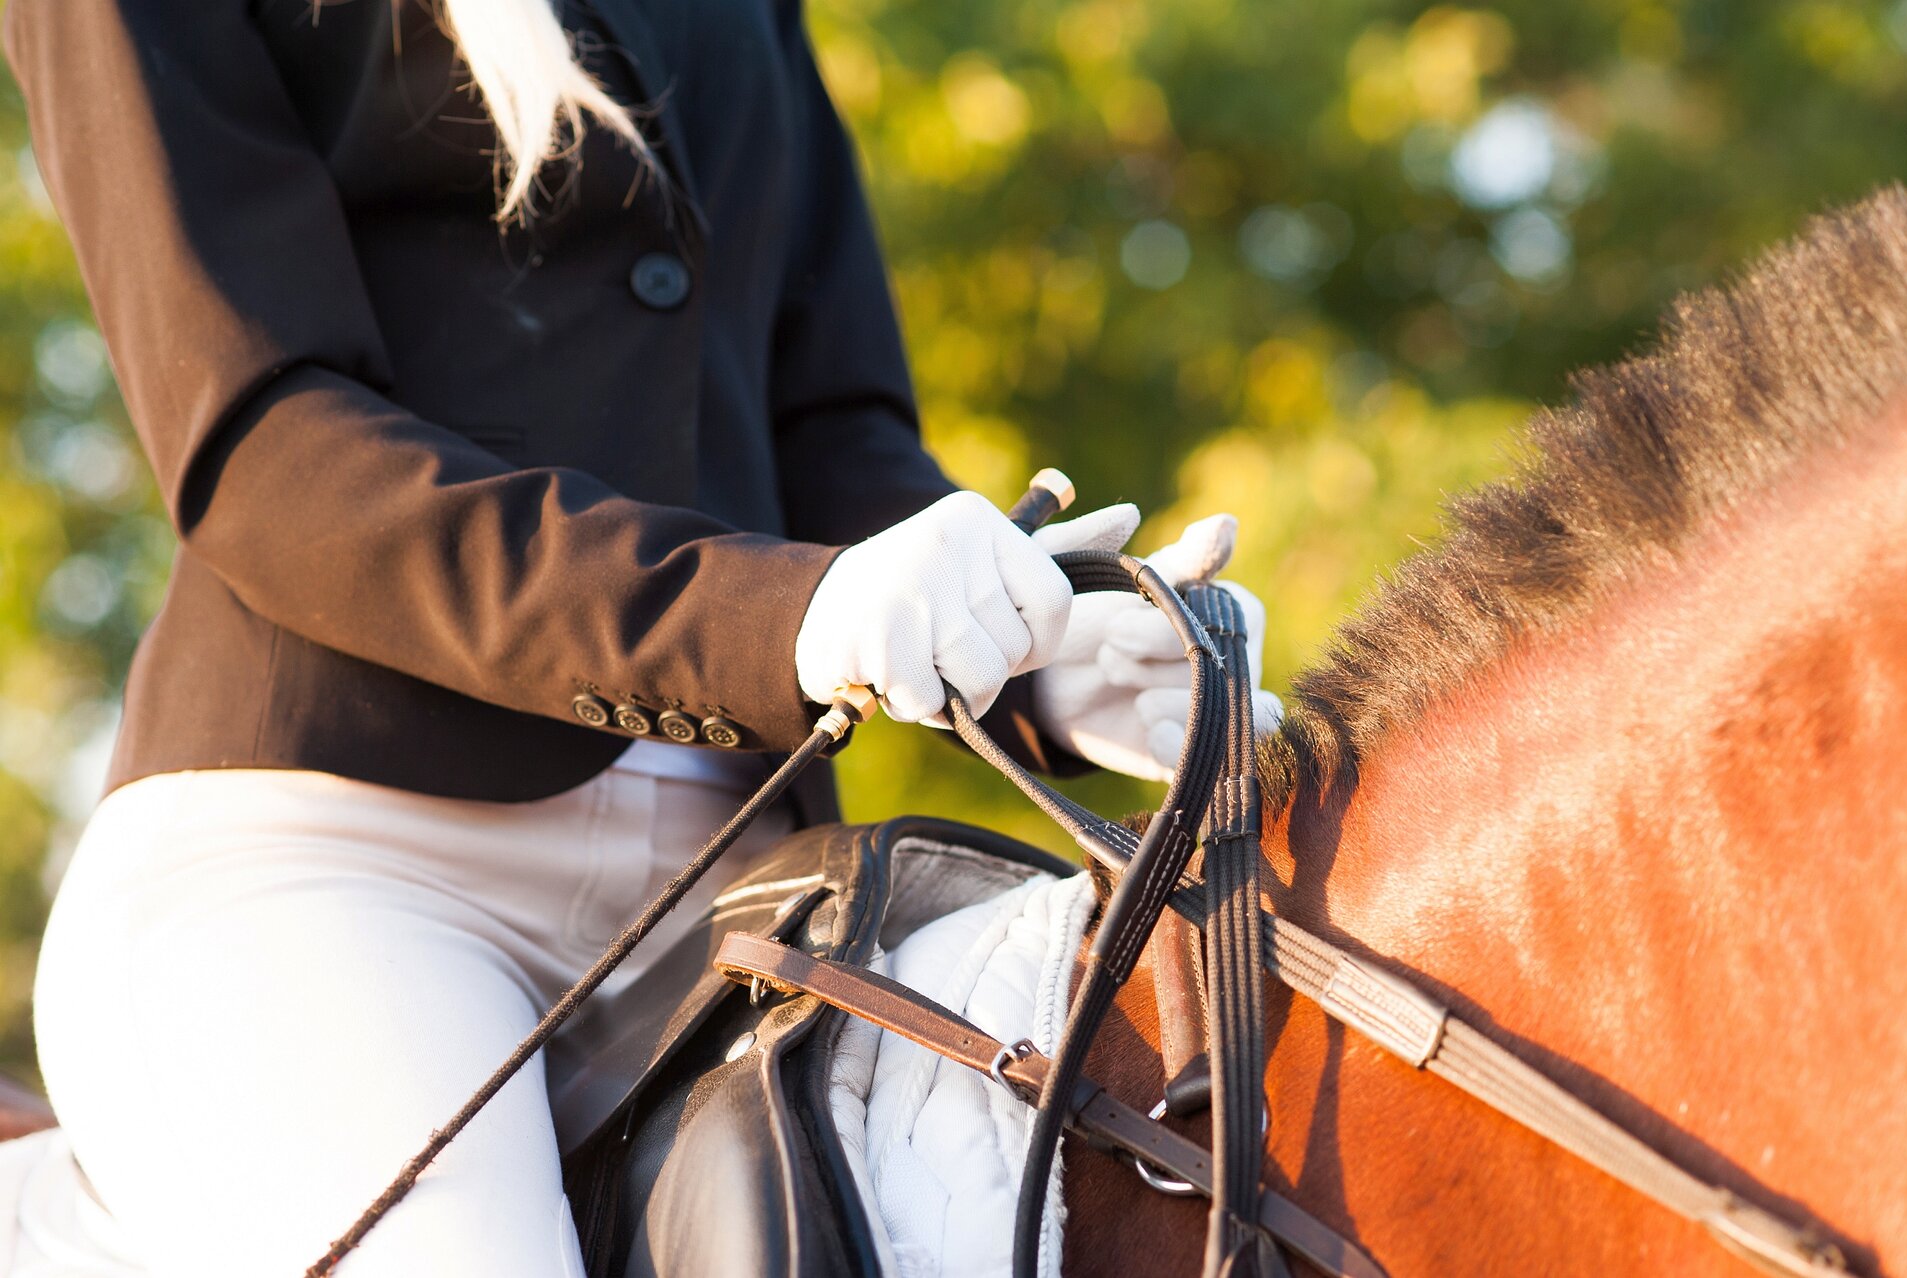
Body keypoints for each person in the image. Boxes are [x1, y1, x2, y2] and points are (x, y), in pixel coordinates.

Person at [4, 1, 1280, 1274]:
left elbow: (832, 431)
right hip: (331, 860)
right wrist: (779, 619)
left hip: (738, 889)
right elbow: (269, 453)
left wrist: (1031, 654)